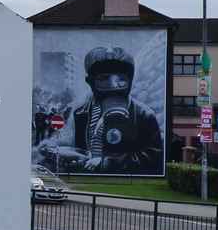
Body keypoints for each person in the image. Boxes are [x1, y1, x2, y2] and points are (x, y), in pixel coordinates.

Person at [39, 46, 163, 174]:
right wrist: (58, 152)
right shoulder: (81, 114)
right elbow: (76, 149)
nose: (114, 85)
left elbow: (153, 158)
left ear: (130, 80)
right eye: (104, 79)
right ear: (90, 82)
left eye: (121, 79)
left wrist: (107, 163)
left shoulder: (144, 115)